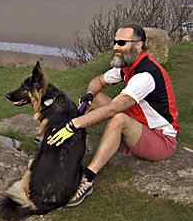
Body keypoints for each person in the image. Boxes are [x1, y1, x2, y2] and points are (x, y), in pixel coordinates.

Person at [47, 24, 179, 207]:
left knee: (119, 119)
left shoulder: (146, 75)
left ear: (139, 45)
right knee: (95, 98)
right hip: (139, 126)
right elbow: (98, 81)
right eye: (115, 42)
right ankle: (67, 139)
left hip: (160, 139)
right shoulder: (128, 65)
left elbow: (113, 109)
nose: (116, 47)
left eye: (122, 43)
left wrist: (73, 124)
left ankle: (88, 179)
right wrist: (89, 96)